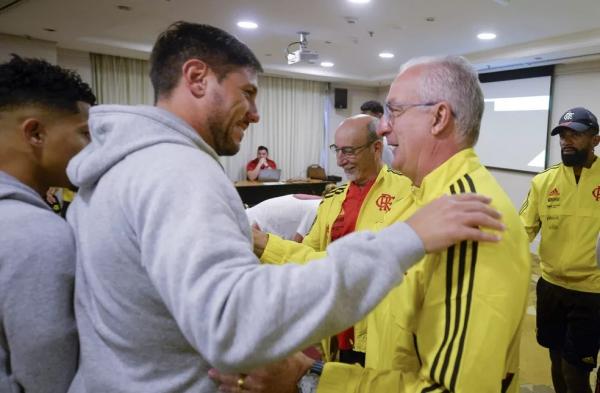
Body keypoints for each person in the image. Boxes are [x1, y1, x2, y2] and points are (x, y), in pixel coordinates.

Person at [66, 22, 505, 392]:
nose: (256, 113)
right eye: (248, 92)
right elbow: (235, 324)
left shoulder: (120, 167)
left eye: (394, 112)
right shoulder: (179, 171)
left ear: (439, 116)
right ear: (197, 78)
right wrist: (403, 242)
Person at [212, 55, 531, 393]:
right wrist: (263, 243)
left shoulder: (468, 218)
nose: (383, 126)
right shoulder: (425, 201)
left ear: (438, 118)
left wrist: (314, 379)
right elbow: (344, 268)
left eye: (395, 111)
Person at [253, 114, 412, 366]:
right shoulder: (333, 199)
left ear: (377, 147)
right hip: (338, 326)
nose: (340, 161)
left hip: (381, 330)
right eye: (337, 150)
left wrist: (265, 243)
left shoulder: (406, 193)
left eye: (349, 151)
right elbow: (308, 255)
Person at [0, 55, 96, 392]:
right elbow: (49, 378)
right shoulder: (36, 234)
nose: (93, 149)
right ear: (35, 133)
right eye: (85, 134)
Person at [520, 107, 600, 393]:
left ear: (595, 139)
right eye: (563, 135)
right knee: (555, 358)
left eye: (576, 134)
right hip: (551, 287)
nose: (567, 140)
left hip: (591, 293)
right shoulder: (543, 182)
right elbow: (523, 229)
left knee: (575, 370)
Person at [245, 193, 322, 241]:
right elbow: (297, 243)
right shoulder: (318, 208)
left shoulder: (321, 202)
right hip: (252, 225)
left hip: (253, 216)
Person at [360, 100, 394, 166]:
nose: (364, 120)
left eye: (367, 116)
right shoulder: (367, 140)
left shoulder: (390, 140)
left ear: (379, 116)